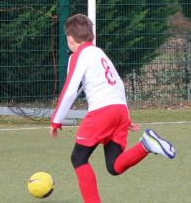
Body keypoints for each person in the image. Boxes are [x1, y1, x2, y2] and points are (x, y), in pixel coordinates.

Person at [50, 14, 175, 203]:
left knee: (78, 158)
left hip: (102, 112)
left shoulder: (79, 55)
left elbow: (69, 90)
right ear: (91, 36)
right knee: (114, 166)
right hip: (119, 109)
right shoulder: (100, 53)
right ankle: (146, 145)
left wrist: (56, 120)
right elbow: (118, 83)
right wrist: (125, 116)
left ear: (69, 38)